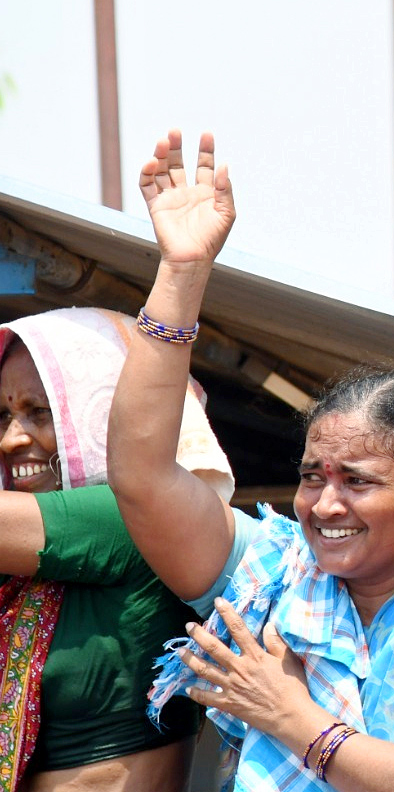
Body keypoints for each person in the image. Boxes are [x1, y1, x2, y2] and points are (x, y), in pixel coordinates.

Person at [105, 130, 394, 792]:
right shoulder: (272, 574)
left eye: (358, 482)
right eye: (313, 477)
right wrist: (182, 274)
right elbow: (141, 477)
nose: (325, 504)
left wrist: (289, 716)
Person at [0, 306, 233, 792]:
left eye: (38, 412)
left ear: (102, 412)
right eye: (3, 415)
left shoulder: (131, 519)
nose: (11, 438)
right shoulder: (25, 570)